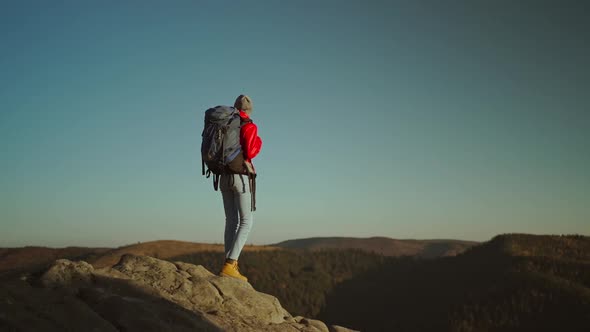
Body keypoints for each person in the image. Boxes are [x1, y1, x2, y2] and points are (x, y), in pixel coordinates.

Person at [218, 94, 262, 282]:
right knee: (246, 221)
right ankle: (230, 264)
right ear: (249, 110)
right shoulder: (248, 125)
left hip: (223, 176)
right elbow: (251, 151)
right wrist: (259, 141)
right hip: (240, 177)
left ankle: (229, 264)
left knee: (231, 220)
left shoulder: (224, 123)